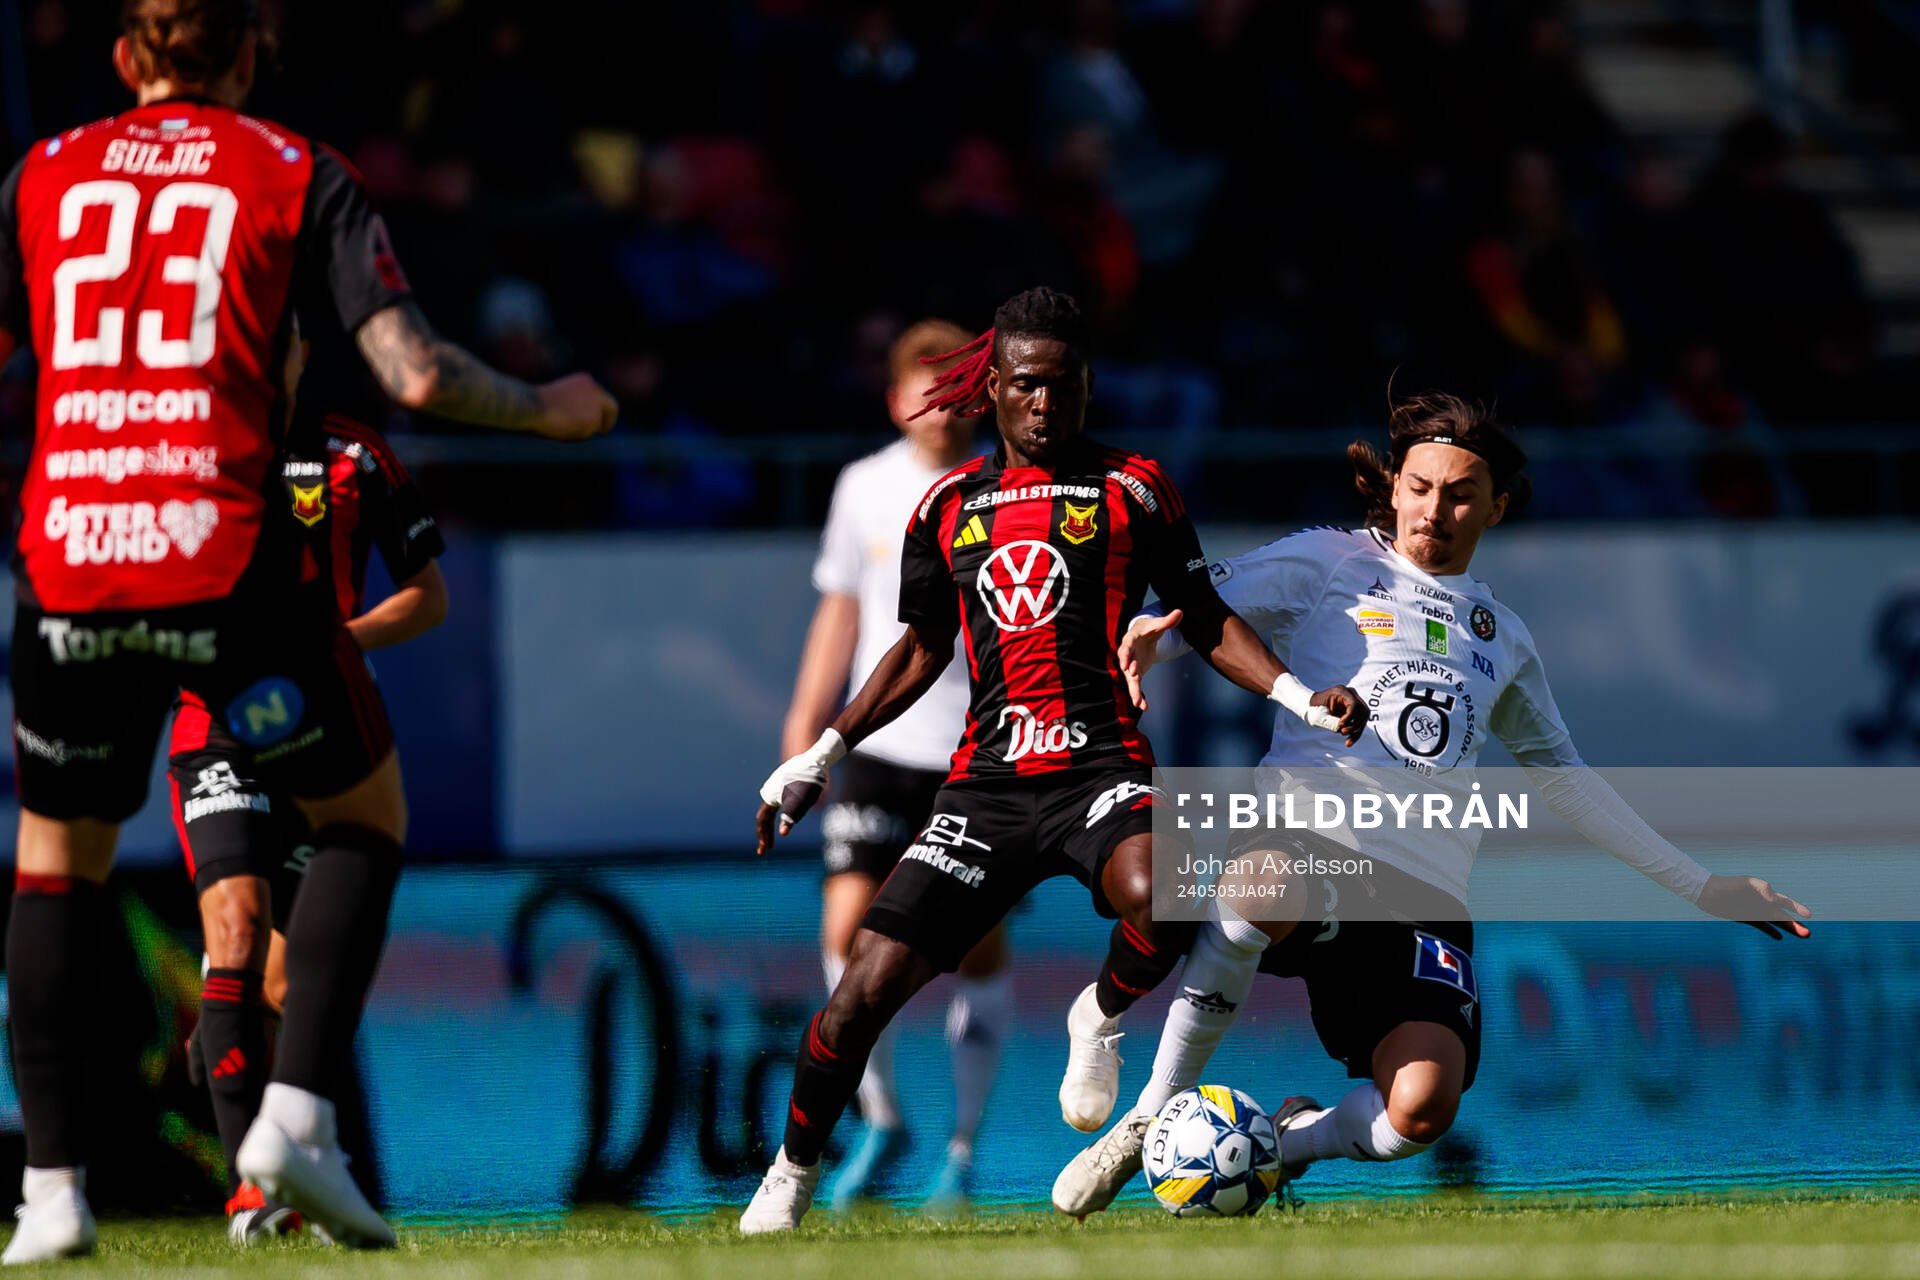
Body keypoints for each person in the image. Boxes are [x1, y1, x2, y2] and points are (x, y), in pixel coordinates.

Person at [0, 0, 614, 1259]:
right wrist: (552, 409)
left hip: (73, 557)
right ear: (247, 56)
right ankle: (293, 1119)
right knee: (365, 819)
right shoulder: (290, 170)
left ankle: (51, 1193)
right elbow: (423, 373)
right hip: (222, 560)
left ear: (125, 58)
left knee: (55, 864)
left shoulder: (42, 174)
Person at [1050, 391, 1812, 1217]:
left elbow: (1566, 780)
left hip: (1419, 896)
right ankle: (1150, 1115)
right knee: (1263, 881)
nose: (1434, 510)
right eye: (1419, 487)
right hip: (1309, 841)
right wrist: (1155, 635)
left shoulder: (1504, 636)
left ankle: (1286, 1140)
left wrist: (1703, 887)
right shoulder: (1332, 561)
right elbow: (1203, 608)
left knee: (1419, 1111)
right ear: (1396, 486)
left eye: (1458, 494)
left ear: (1497, 506)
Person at [739, 286, 1366, 1234]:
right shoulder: (947, 506)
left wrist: (1291, 694)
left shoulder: (1134, 487)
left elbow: (1204, 617)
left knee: (1163, 887)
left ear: (1086, 387)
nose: (1046, 404)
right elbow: (917, 647)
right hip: (987, 788)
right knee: (861, 987)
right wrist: (824, 748)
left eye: (1065, 386)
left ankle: (1099, 1017)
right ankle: (788, 1178)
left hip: (1099, 770)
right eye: (1029, 386)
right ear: (991, 389)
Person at [171, 333, 448, 1246]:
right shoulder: (185, 448)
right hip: (211, 727)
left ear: (294, 351)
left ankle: (270, 1119)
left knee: (285, 981)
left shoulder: (354, 454)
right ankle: (252, 1197)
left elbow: (428, 597)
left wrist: (333, 652)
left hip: (321, 734)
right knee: (238, 932)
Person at [779, 319, 1010, 1210]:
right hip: (879, 750)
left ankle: (961, 1154)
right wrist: (809, 737)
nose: (939, 407)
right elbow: (840, 617)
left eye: (956, 389)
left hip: (977, 756)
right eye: (925, 387)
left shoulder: (1009, 487)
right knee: (845, 937)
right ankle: (881, 1115)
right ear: (894, 400)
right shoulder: (864, 488)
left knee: (975, 951)